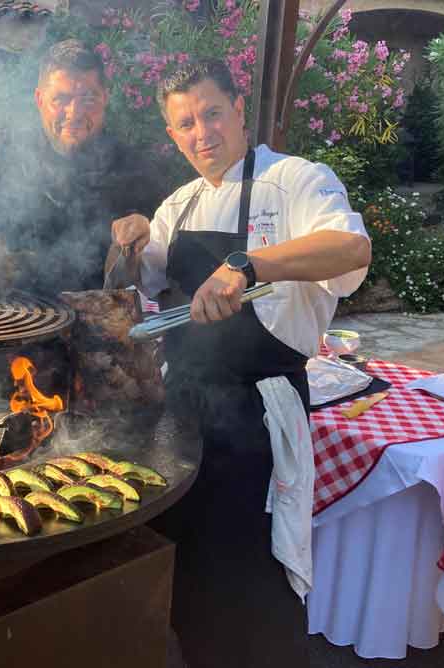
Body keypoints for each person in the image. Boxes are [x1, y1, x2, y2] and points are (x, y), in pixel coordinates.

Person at [112, 60, 371, 667]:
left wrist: (249, 264)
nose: (201, 132)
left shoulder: (298, 180)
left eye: (211, 113)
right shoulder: (177, 204)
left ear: (237, 109)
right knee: (190, 560)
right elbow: (138, 279)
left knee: (254, 569)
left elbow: (351, 248)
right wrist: (125, 239)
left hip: (260, 411)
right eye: (185, 124)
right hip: (184, 410)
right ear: (172, 135)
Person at [0, 39, 167, 295]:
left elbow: (160, 254)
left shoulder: (134, 167)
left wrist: (144, 229)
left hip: (93, 323)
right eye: (61, 99)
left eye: (89, 98)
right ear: (40, 99)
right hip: (6, 313)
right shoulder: (4, 146)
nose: (75, 112)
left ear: (105, 98)